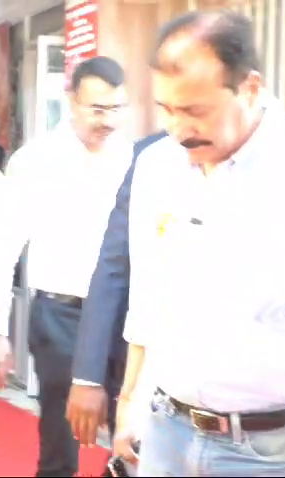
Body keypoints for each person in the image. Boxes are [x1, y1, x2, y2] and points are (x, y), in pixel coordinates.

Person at [113, 10, 285, 477]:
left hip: (271, 450)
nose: (177, 129)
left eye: (195, 111)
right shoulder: (157, 167)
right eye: (166, 109)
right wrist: (130, 399)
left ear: (249, 88)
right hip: (167, 427)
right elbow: (148, 296)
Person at [0, 56, 133, 477]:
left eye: (117, 109)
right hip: (61, 315)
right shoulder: (35, 162)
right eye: (97, 109)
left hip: (123, 316)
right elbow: (1, 250)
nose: (108, 120)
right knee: (61, 440)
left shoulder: (133, 160)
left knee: (132, 434)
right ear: (71, 101)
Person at [65, 130, 167, 446]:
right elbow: (114, 264)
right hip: (150, 370)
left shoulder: (283, 159)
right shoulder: (154, 157)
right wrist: (88, 376)